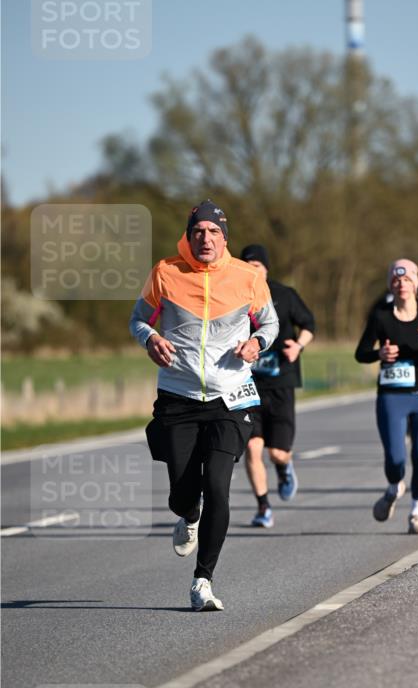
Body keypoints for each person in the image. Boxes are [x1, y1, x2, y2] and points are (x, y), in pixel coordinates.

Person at [129, 200, 278, 610]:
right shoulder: (166, 273)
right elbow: (138, 319)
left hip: (230, 396)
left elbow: (270, 323)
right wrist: (150, 339)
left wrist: (256, 343)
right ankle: (187, 513)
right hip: (178, 395)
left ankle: (203, 580)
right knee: (183, 493)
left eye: (214, 232)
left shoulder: (247, 278)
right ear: (188, 235)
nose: (205, 239)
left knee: (217, 485)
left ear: (225, 237)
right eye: (198, 232)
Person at [355, 258, 418, 535]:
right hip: (391, 396)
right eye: (396, 280)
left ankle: (416, 513)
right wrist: (379, 354)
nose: (401, 284)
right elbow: (361, 353)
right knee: (396, 459)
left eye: (407, 279)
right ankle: (393, 487)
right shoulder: (381, 315)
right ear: (391, 284)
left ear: (415, 284)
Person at [239, 244, 316, 528]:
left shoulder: (284, 295)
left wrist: (298, 345)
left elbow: (309, 323)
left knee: (277, 452)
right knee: (253, 448)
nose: (252, 271)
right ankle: (263, 507)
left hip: (281, 381)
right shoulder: (234, 297)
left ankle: (284, 467)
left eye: (256, 265)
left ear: (266, 268)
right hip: (248, 386)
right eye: (247, 266)